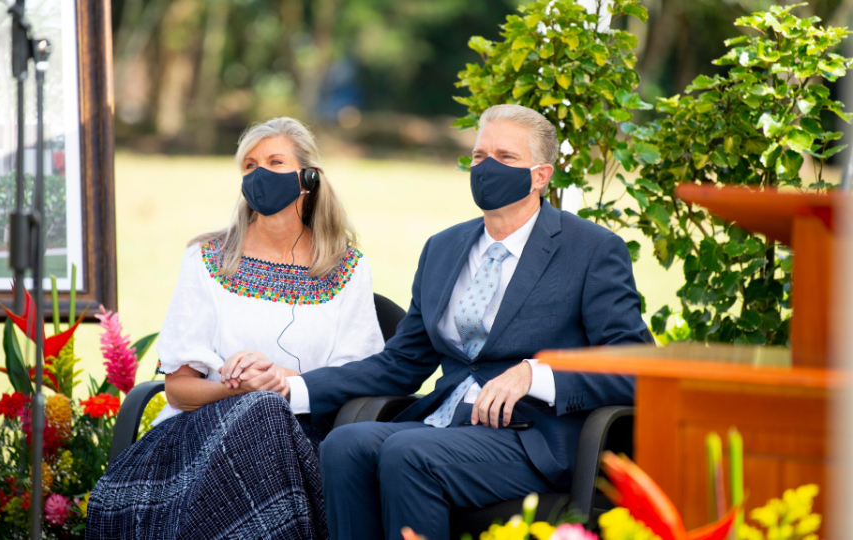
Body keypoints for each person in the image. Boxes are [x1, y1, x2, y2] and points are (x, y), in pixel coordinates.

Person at [280, 104, 652, 540]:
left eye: (506, 157)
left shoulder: (590, 250)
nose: (487, 167)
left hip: (532, 438)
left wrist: (535, 374)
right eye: (479, 156)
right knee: (346, 445)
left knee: (407, 450)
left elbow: (636, 365)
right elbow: (401, 362)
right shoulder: (443, 247)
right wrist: (297, 388)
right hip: (447, 423)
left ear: (541, 175)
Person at [85, 117, 385, 540]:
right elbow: (178, 389)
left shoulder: (348, 269)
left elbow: (357, 380)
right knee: (261, 408)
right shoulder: (207, 260)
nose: (259, 173)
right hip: (201, 435)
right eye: (249, 165)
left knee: (267, 408)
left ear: (308, 178)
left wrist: (277, 380)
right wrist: (240, 389)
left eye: (275, 161)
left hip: (306, 440)